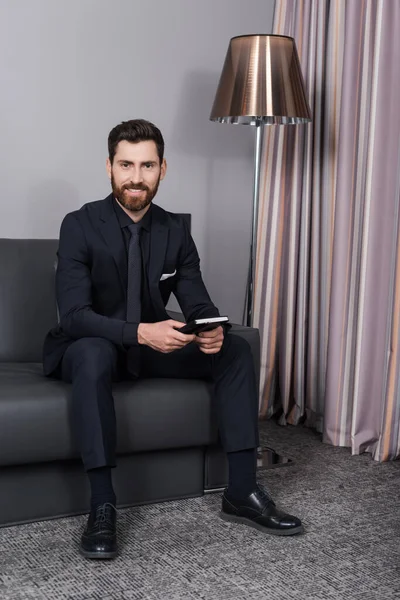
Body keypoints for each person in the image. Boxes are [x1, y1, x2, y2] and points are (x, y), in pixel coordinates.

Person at [43, 119, 303, 559]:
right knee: (90, 354)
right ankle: (102, 505)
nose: (136, 177)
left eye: (147, 166)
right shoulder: (79, 225)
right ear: (109, 166)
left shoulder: (174, 231)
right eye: (126, 165)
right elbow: (74, 317)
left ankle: (241, 491)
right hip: (92, 342)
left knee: (236, 348)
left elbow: (195, 297)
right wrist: (141, 331)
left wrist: (208, 327)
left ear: (163, 169)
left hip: (150, 345)